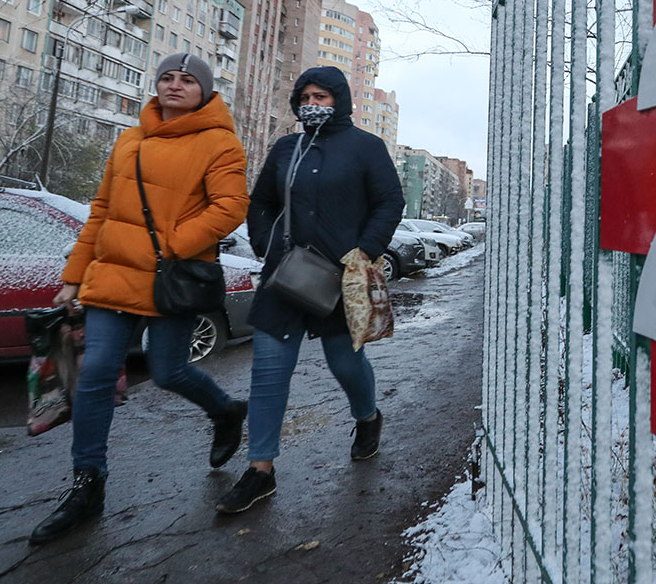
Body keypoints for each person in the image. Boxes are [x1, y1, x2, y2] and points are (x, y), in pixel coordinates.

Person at [29, 54, 251, 545]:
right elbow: (102, 210)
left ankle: (226, 409)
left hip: (169, 278)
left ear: (205, 91)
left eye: (187, 80)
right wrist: (73, 275)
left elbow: (231, 207)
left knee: (169, 370)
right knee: (96, 374)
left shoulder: (221, 143)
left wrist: (169, 245)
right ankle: (88, 484)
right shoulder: (129, 140)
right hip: (111, 278)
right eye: (167, 78)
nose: (175, 85)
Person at [215, 66, 403, 514]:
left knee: (345, 362)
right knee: (268, 375)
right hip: (285, 278)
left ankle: (368, 418)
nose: (312, 104)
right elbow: (260, 202)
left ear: (339, 100)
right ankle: (260, 470)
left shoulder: (366, 148)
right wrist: (265, 243)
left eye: (322, 96)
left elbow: (390, 202)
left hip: (341, 279)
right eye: (306, 97)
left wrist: (366, 250)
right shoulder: (286, 148)